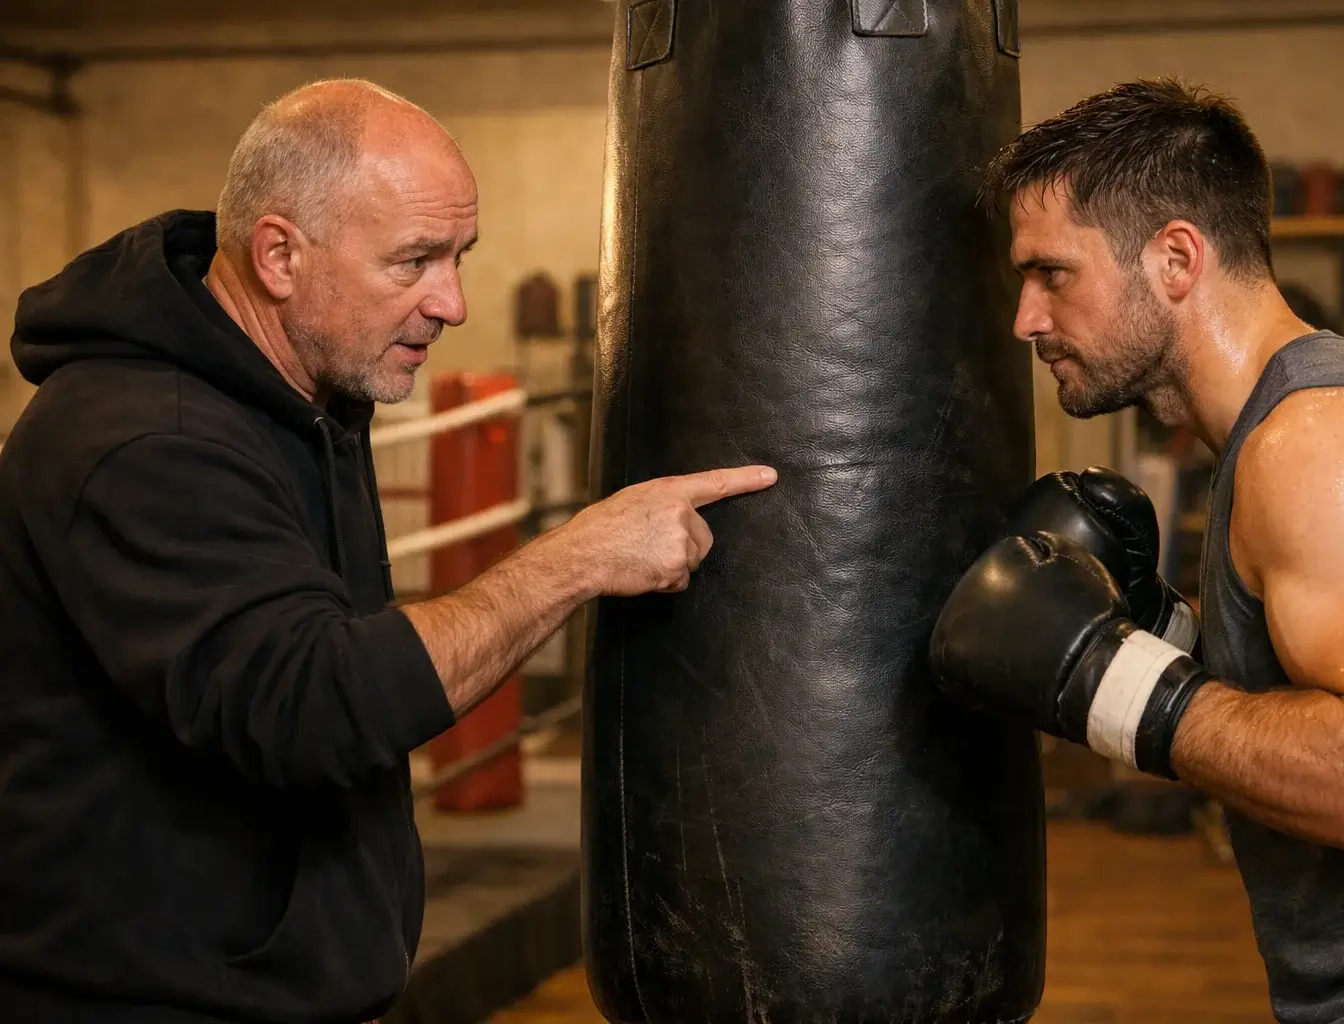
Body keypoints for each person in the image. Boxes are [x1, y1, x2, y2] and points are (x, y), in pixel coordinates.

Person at [0, 78, 775, 1023]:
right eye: (413, 261)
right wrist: (577, 557)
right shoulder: (147, 443)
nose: (451, 301)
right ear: (279, 255)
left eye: (459, 256)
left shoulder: (307, 398)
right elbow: (311, 703)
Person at [930, 77, 1344, 1022]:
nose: (1027, 320)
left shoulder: (1319, 446)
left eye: (1052, 273)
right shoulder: (1281, 434)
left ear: (1176, 257)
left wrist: (1112, 682)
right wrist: (1162, 624)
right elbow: (1324, 690)